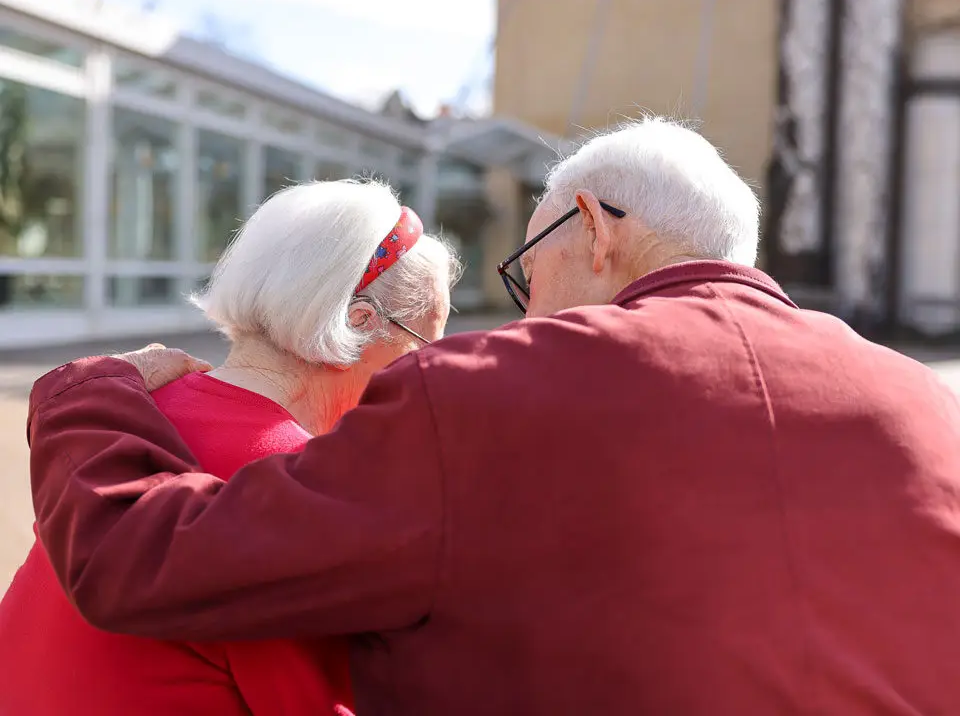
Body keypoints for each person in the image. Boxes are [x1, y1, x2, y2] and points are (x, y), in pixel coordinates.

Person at [25, 117, 960, 715]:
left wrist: (84, 389)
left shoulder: (493, 390)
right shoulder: (928, 406)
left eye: (527, 270)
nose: (524, 309)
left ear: (593, 227)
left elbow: (147, 560)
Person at [0, 180, 458, 716]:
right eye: (425, 346)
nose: (431, 372)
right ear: (359, 322)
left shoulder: (125, 414)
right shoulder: (299, 481)